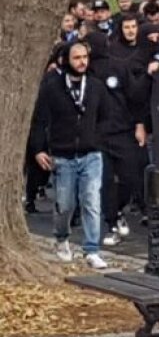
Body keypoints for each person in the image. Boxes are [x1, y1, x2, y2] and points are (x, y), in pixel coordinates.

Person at [30, 41, 109, 269]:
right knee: (65, 204)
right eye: (77, 57)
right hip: (63, 155)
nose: (82, 61)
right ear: (65, 60)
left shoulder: (95, 86)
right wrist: (38, 149)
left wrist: (97, 139)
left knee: (91, 200)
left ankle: (92, 249)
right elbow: (39, 121)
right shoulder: (51, 87)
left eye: (85, 56)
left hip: (91, 154)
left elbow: (106, 116)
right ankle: (62, 238)